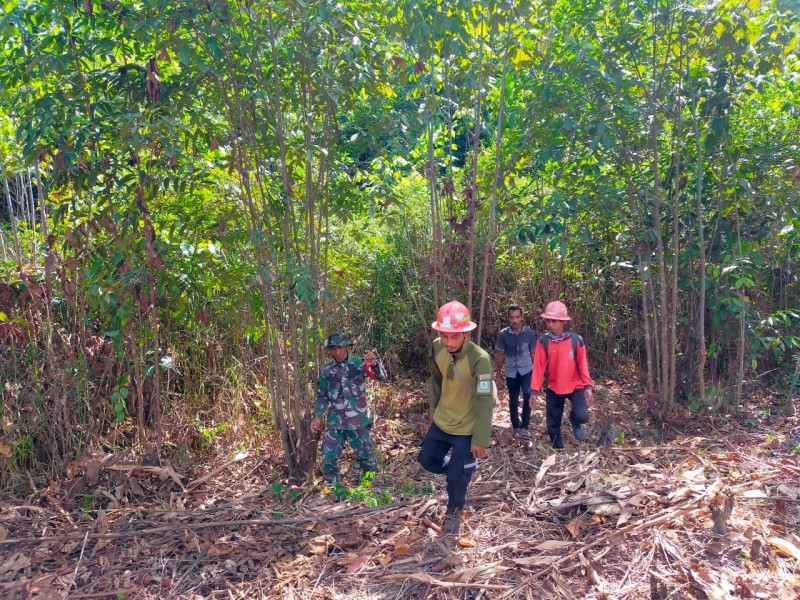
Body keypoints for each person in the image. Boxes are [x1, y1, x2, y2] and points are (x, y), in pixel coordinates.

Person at [418, 300, 494, 534]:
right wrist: (434, 406)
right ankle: (461, 469)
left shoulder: (480, 359)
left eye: (455, 337)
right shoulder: (436, 347)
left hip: (466, 426)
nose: (449, 342)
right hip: (443, 420)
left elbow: (484, 399)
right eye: (444, 336)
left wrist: (481, 439)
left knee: (456, 479)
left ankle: (454, 509)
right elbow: (436, 379)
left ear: (466, 333)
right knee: (426, 460)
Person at [310, 333, 387, 484]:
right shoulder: (326, 370)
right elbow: (322, 395)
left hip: (358, 419)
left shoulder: (359, 363)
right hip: (336, 420)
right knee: (328, 456)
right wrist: (318, 415)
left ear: (346, 347)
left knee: (366, 456)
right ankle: (334, 486)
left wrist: (374, 365)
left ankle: (367, 484)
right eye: (333, 348)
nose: (337, 351)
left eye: (339, 347)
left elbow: (381, 377)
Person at [530, 301, 594, 449]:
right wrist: (534, 390)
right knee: (552, 424)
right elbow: (538, 367)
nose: (550, 324)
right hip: (554, 386)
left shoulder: (576, 340)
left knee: (582, 416)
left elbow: (583, 365)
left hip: (575, 384)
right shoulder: (543, 341)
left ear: (563, 321)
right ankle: (558, 449)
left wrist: (588, 386)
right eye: (548, 320)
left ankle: (573, 419)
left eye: (554, 321)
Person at [494, 305, 537, 440]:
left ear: (522, 317)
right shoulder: (503, 334)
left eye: (517, 317)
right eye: (512, 317)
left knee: (528, 395)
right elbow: (500, 355)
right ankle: (515, 427)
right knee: (513, 399)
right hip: (511, 371)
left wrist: (537, 373)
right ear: (508, 318)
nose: (515, 320)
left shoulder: (529, 333)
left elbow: (533, 353)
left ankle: (525, 426)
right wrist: (498, 375)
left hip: (527, 369)